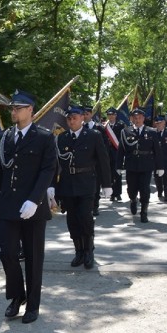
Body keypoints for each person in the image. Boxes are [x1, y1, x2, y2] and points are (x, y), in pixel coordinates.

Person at [0, 90, 57, 324]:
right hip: (9, 205)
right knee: (6, 252)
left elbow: (47, 170)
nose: (14, 112)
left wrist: (35, 199)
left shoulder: (44, 137)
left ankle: (33, 304)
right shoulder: (5, 137)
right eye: (12, 108)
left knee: (33, 257)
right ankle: (17, 295)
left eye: (18, 108)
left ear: (30, 110)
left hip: (33, 207)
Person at [50, 105, 111, 269]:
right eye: (69, 118)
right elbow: (55, 164)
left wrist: (107, 184)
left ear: (82, 118)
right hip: (67, 184)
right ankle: (78, 251)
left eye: (74, 118)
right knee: (72, 219)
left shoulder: (93, 136)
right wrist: (52, 186)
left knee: (85, 217)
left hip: (86, 183)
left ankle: (89, 250)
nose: (71, 121)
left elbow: (103, 160)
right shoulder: (61, 138)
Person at [117, 108, 163, 223]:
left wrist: (160, 166)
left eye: (139, 118)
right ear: (132, 118)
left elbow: (157, 150)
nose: (137, 120)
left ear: (143, 118)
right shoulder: (125, 131)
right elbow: (121, 150)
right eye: (135, 118)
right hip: (131, 164)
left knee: (145, 189)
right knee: (131, 189)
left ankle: (144, 211)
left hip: (146, 164)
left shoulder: (152, 131)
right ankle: (133, 200)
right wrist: (118, 166)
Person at [103, 107, 124, 201]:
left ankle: (118, 193)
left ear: (116, 115)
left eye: (112, 115)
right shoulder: (104, 126)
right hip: (107, 153)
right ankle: (111, 193)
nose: (110, 116)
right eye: (109, 115)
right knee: (109, 174)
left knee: (117, 173)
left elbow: (122, 139)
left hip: (117, 152)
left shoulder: (121, 125)